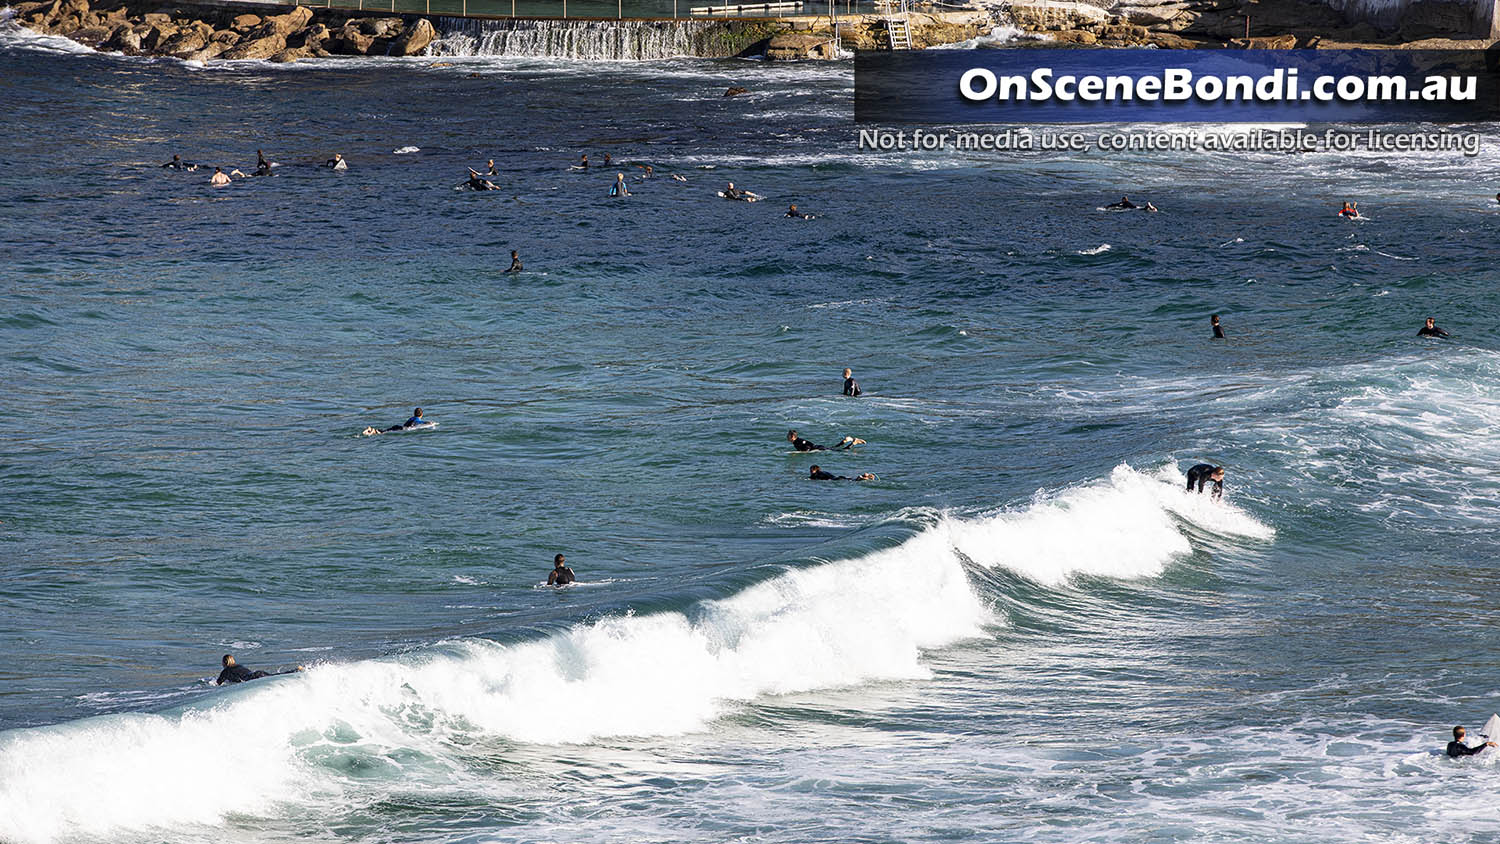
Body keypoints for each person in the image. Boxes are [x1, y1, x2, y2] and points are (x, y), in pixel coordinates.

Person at [362, 407, 432, 436]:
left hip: (398, 426)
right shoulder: (417, 419)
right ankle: (372, 431)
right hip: (400, 429)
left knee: (383, 431)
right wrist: (428, 423)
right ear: (422, 414)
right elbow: (419, 422)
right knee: (382, 433)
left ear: (414, 413)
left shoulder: (412, 418)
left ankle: (372, 430)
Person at [787, 429, 864, 451]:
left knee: (840, 450)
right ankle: (845, 441)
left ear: (792, 436)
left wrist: (805, 452)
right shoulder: (796, 442)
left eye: (788, 436)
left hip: (819, 448)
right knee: (835, 448)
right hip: (818, 447)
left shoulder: (798, 441)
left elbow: (809, 445)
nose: (787, 437)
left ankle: (854, 442)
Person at [809, 465, 875, 481]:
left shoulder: (814, 475)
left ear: (813, 470)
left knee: (853, 481)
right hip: (838, 477)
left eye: (811, 471)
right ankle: (865, 476)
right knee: (850, 479)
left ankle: (860, 478)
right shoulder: (824, 471)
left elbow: (811, 478)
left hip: (835, 480)